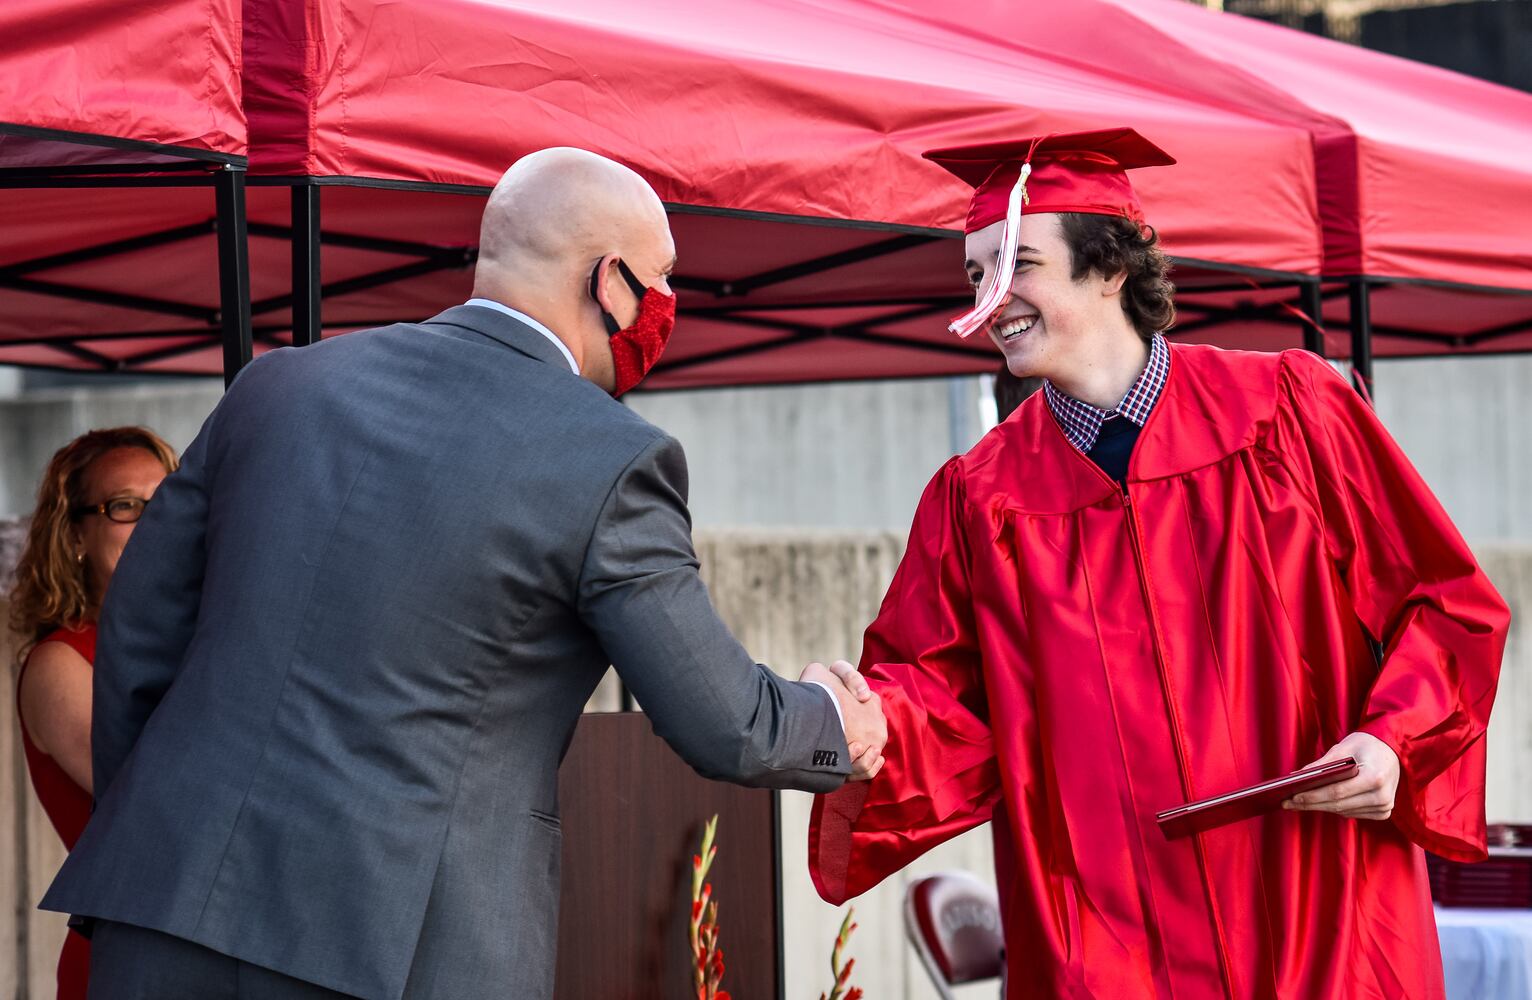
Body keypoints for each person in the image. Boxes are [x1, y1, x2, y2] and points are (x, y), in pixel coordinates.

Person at [41, 147, 886, 1000]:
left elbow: (141, 633)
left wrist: (164, 819)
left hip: (157, 908)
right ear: (609, 281)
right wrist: (829, 720)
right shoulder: (610, 454)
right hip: (392, 943)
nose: (667, 308)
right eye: (663, 282)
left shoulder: (278, 384)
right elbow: (721, 720)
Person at [809, 128, 1507, 998]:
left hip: (1316, 904)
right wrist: (852, 718)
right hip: (1104, 933)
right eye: (975, 277)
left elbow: (1442, 603)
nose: (991, 300)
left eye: (1017, 266)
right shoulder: (978, 501)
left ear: (1110, 270)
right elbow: (934, 698)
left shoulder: (1290, 414)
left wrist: (1394, 740)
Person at [7, 427, 177, 1000]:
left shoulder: (194, 641)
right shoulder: (62, 665)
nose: (154, 522)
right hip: (129, 962)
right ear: (75, 535)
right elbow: (164, 807)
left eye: (169, 501)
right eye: (125, 506)